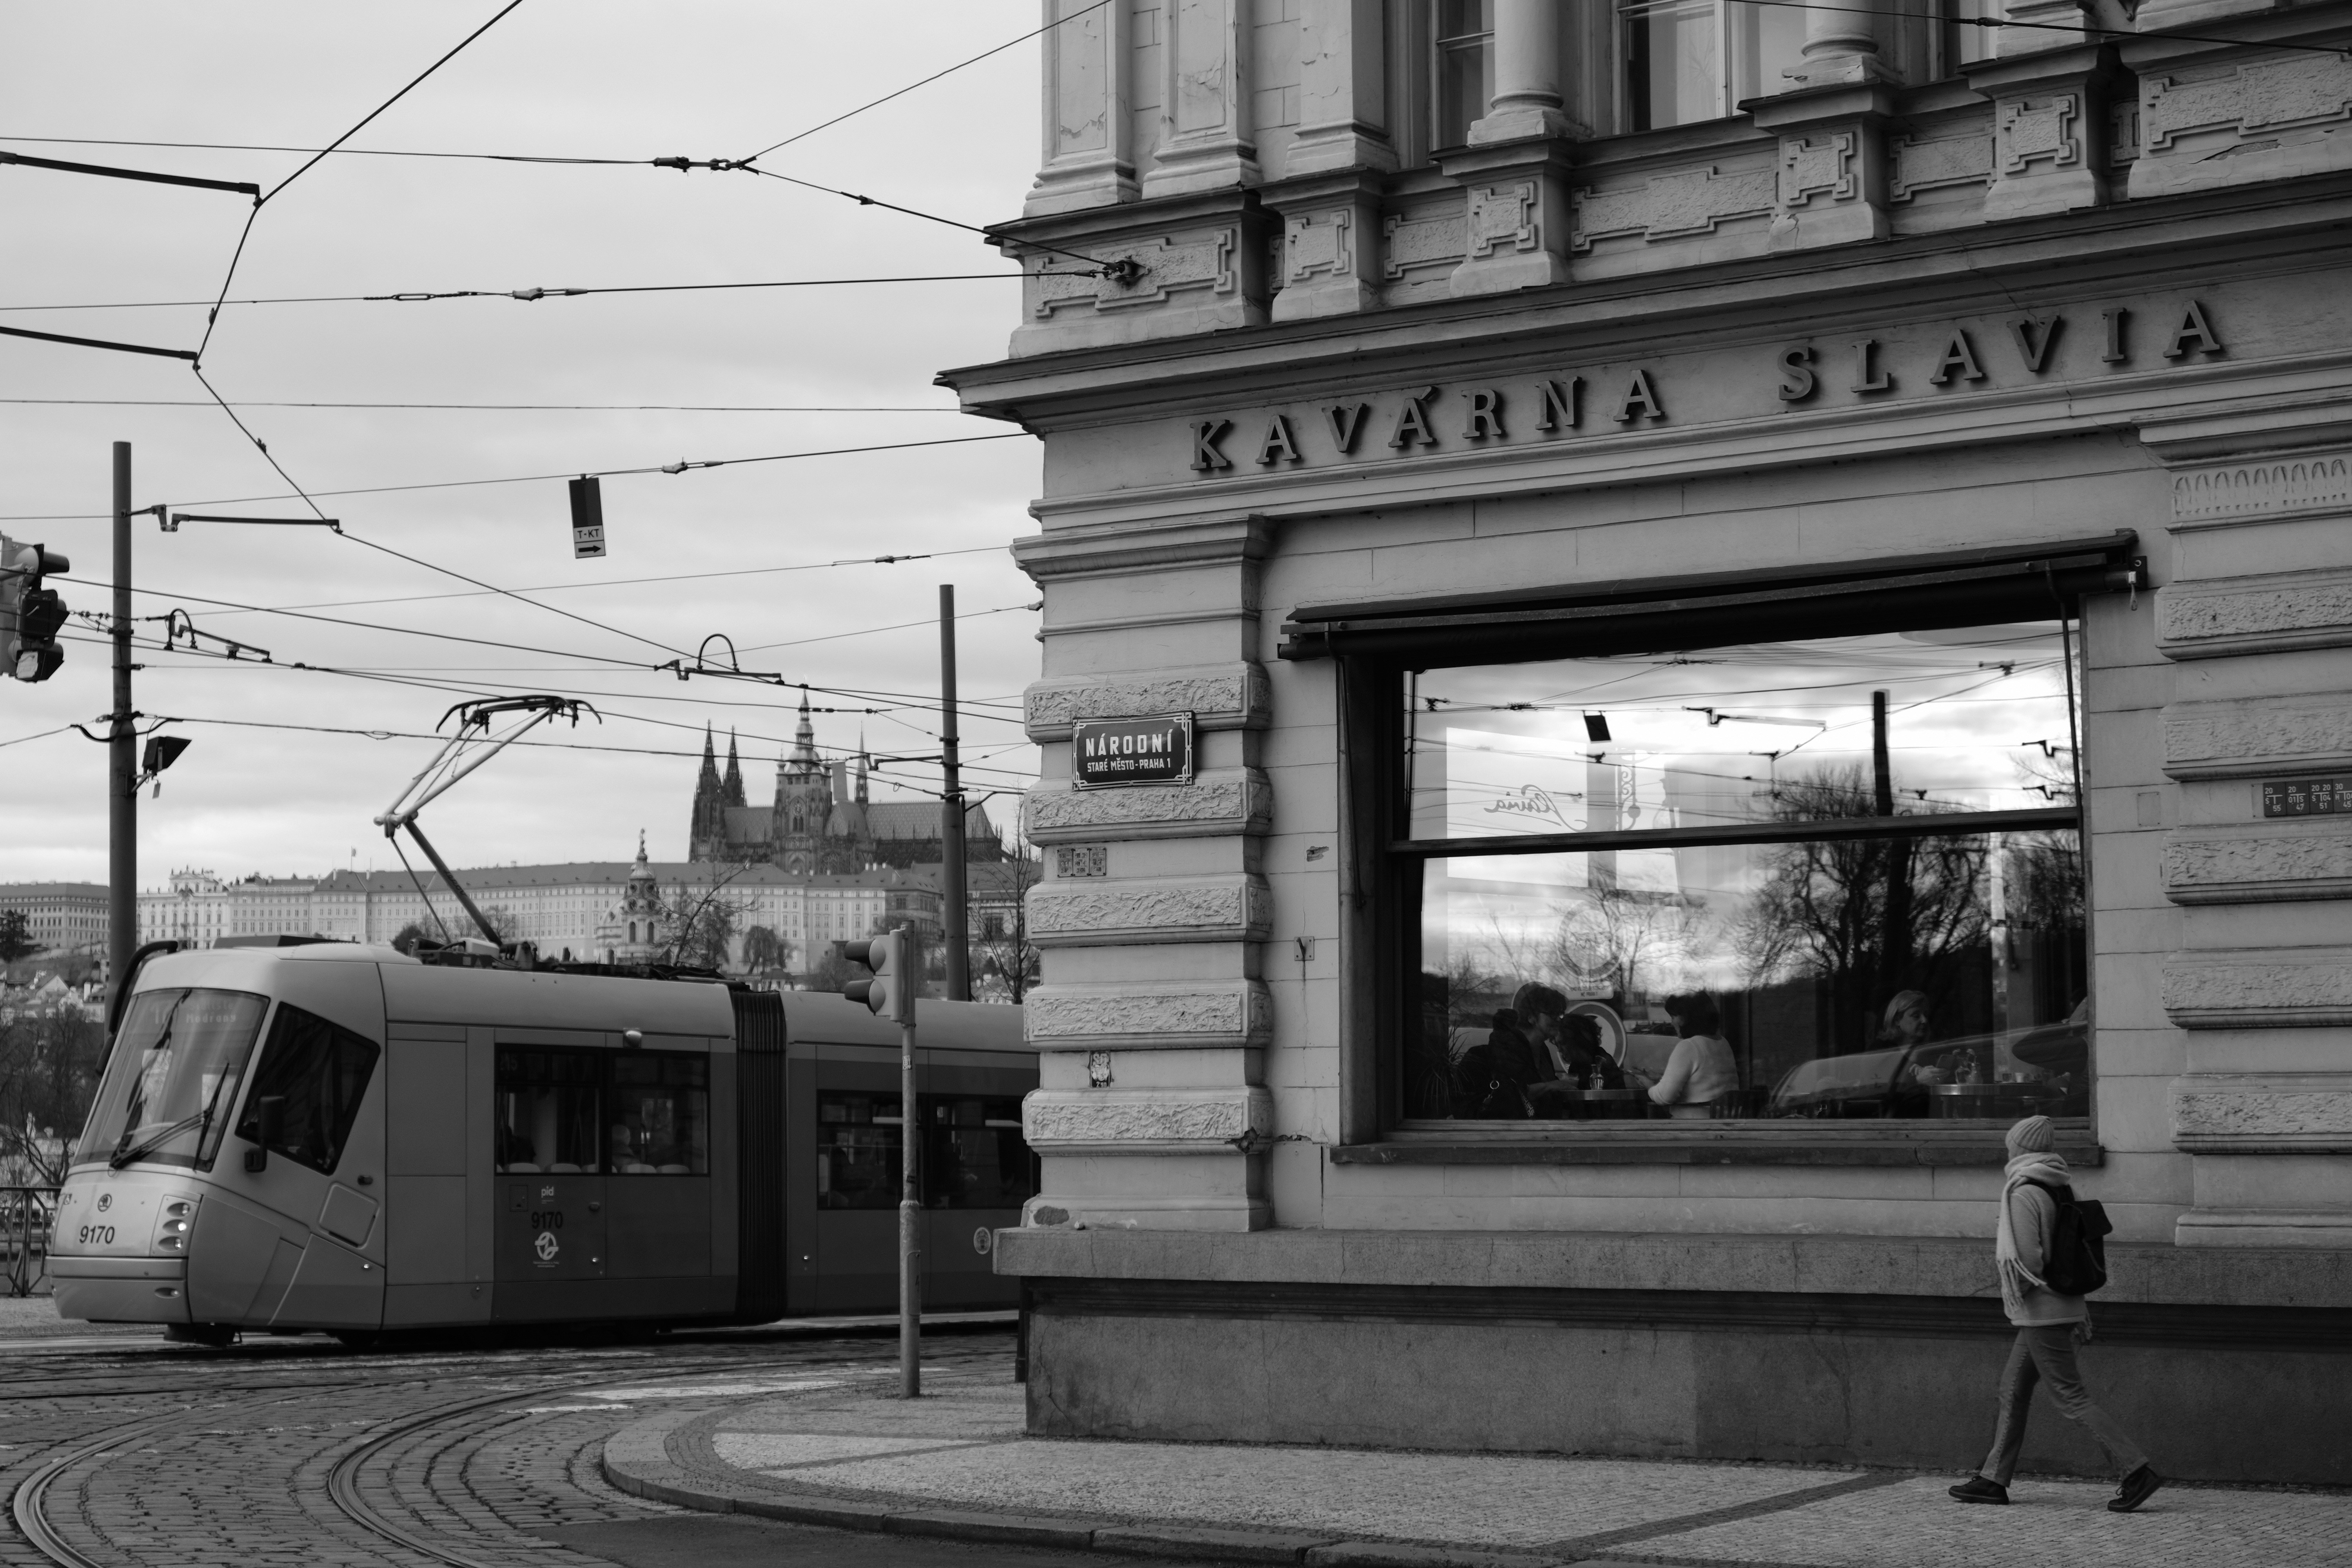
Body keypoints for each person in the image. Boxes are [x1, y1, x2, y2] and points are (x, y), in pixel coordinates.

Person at [1950, 1115, 2162, 1512]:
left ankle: (2137, 1470)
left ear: (2021, 1148)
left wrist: (2018, 1294)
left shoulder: (2023, 1191)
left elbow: (2028, 1259)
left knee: (2071, 1398)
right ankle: (1994, 1479)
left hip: (2042, 1311)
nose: (2008, 1150)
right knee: (2012, 1389)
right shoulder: (2058, 1183)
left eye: (2011, 1144)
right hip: (2062, 1304)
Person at [1646, 993, 1739, 1117]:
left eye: (1674, 1017)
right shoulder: (1723, 1043)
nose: (1672, 1023)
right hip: (1724, 1125)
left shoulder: (1689, 1046)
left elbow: (1664, 1097)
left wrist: (1648, 1085)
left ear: (1687, 1017)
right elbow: (1704, 1083)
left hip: (1693, 1129)